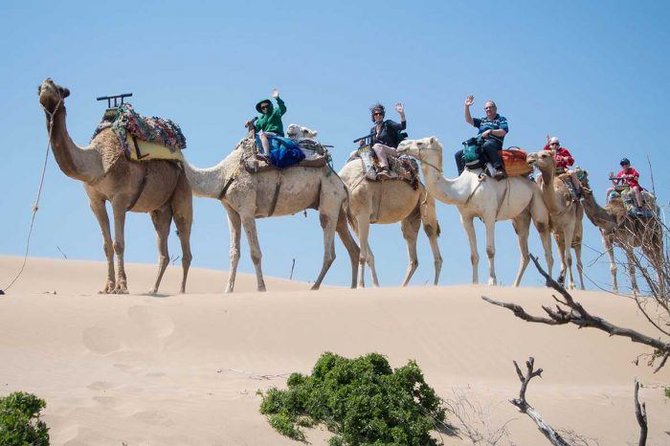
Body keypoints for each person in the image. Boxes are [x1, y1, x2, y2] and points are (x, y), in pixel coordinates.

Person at [455, 96, 508, 180]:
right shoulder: (483, 120)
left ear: (495, 108)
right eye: (486, 108)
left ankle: (499, 169)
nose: (488, 109)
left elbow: (503, 131)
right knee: (458, 154)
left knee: (487, 145)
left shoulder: (501, 119)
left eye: (490, 107)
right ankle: (461, 177)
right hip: (480, 143)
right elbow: (469, 120)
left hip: (493, 143)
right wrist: (466, 106)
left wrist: (490, 131)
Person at [365, 102, 406, 179]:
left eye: (380, 114)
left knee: (377, 146)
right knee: (356, 152)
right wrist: (362, 145)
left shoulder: (388, 124)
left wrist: (401, 114)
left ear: (383, 115)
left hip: (392, 151)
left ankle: (385, 169)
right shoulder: (372, 130)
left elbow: (402, 127)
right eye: (376, 114)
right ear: (373, 116)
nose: (378, 115)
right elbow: (371, 146)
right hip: (377, 152)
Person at [245, 88, 287, 158]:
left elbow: (283, 109)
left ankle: (266, 154)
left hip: (276, 133)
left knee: (262, 134)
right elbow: (255, 130)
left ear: (270, 105)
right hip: (267, 135)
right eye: (263, 107)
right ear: (260, 109)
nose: (265, 108)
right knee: (257, 137)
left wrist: (277, 98)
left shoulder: (275, 112)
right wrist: (250, 124)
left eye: (266, 106)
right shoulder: (261, 119)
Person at [542, 136, 582, 201]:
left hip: (562, 169)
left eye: (556, 144)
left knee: (572, 173)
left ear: (559, 145)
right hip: (551, 171)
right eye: (553, 144)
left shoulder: (563, 151)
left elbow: (571, 160)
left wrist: (565, 158)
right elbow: (543, 154)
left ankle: (578, 191)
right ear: (550, 145)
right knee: (538, 176)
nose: (555, 145)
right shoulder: (548, 152)